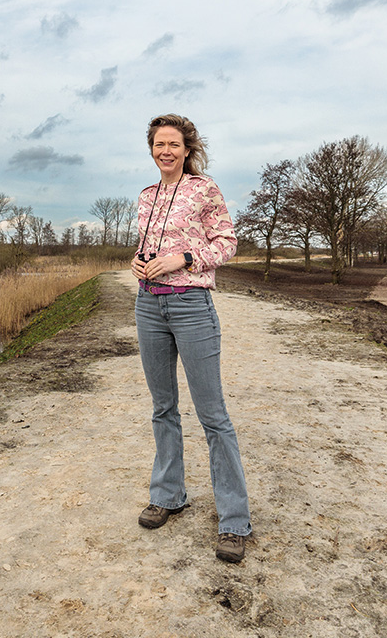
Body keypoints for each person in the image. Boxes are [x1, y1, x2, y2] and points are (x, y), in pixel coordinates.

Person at [129, 113, 252, 564]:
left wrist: (181, 257)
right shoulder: (145, 196)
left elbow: (227, 243)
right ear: (152, 149)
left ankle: (234, 521)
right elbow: (148, 244)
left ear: (187, 149)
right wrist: (140, 261)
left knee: (212, 414)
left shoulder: (204, 189)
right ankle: (169, 495)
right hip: (148, 305)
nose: (166, 151)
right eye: (159, 144)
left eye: (173, 145)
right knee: (163, 407)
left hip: (191, 306)